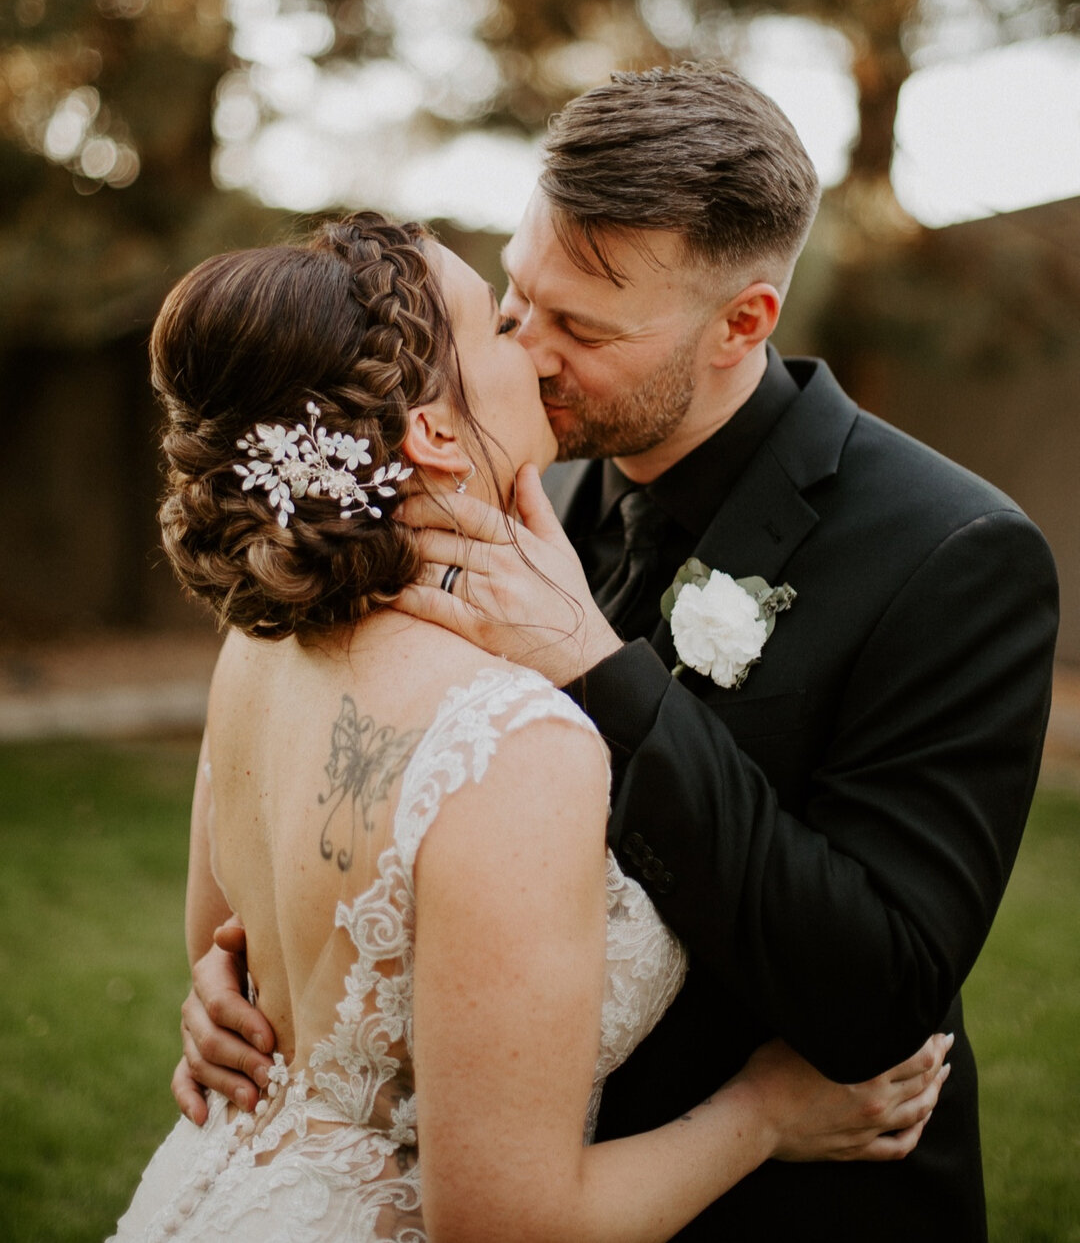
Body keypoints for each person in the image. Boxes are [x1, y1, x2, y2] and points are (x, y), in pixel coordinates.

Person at [172, 65, 1059, 1240]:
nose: (530, 352)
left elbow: (884, 989)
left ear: (744, 322)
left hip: (800, 1202)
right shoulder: (515, 484)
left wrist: (604, 672)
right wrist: (254, 995)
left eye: (581, 327)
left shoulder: (956, 554)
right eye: (516, 302)